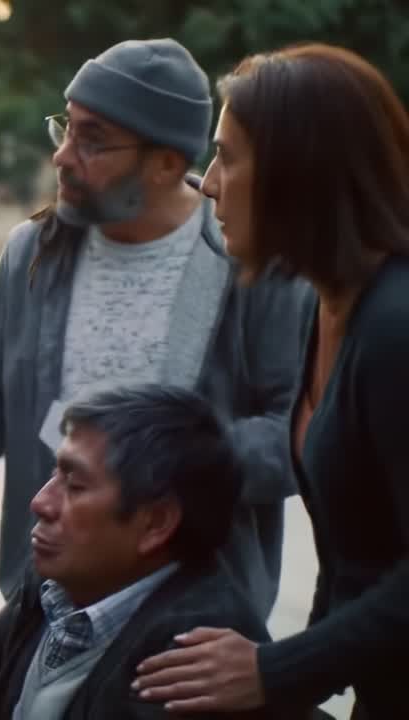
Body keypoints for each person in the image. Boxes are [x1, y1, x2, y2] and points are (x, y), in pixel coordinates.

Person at [0, 38, 309, 620]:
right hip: (44, 606)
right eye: (66, 128)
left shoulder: (251, 257)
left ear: (166, 163)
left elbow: (296, 433)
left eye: (93, 141)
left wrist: (165, 465)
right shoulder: (34, 249)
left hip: (193, 623)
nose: (62, 157)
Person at [133, 44, 409, 720]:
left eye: (228, 156)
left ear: (298, 170)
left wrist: (275, 670)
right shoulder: (328, 304)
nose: (208, 182)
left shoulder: (398, 325)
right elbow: (356, 559)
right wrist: (283, 682)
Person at [0, 384, 326, 720]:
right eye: (54, 474)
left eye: (74, 484)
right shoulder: (58, 587)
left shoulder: (193, 652)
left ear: (156, 522)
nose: (40, 502)